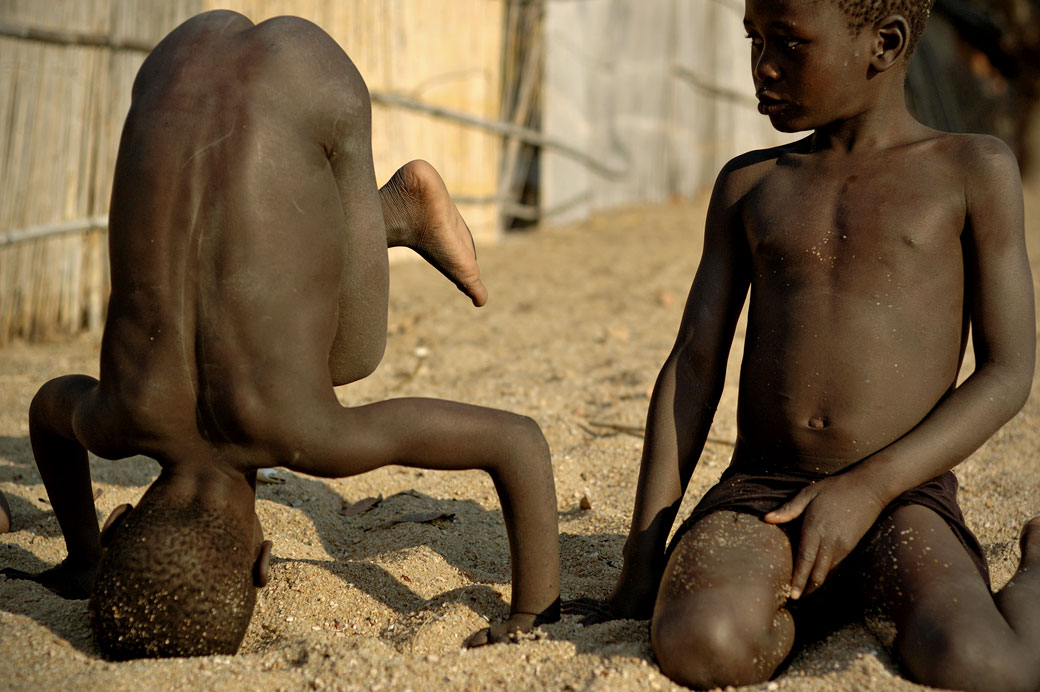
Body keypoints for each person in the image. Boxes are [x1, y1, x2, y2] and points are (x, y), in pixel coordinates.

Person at [0, 11, 560, 659]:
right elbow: (46, 409)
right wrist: (81, 553)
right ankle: (392, 214)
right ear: (122, 518)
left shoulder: (307, 433)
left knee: (354, 356)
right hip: (172, 63)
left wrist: (530, 611)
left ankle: (405, 204)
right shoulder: (112, 419)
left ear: (262, 562)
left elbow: (517, 442)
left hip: (310, 76)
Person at [566, 1, 1039, 690]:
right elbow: (695, 366)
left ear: (885, 42)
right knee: (703, 645)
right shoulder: (751, 184)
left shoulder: (970, 170)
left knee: (990, 667)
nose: (763, 67)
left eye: (788, 43)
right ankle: (815, 599)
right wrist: (639, 569)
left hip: (901, 495)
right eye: (755, 40)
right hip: (762, 495)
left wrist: (868, 487)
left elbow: (1008, 372)